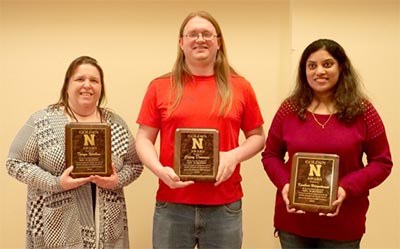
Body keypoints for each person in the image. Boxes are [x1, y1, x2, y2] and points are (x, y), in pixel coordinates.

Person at [135, 10, 265, 249]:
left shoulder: (241, 87)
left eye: (207, 34)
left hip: (224, 205)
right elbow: (143, 138)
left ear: (218, 42)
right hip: (172, 203)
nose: (200, 39)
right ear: (181, 43)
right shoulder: (159, 86)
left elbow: (257, 137)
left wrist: (234, 155)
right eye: (192, 34)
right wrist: (159, 170)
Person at [261, 38, 393, 248]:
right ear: (304, 71)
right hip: (294, 222)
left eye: (327, 64)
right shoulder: (289, 109)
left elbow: (382, 162)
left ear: (342, 67)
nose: (319, 71)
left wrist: (345, 188)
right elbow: (270, 156)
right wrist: (285, 184)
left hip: (343, 224)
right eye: (312, 66)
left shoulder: (364, 111)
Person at [6, 56, 144, 249]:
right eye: (80, 79)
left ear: (101, 88)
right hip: (57, 227)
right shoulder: (42, 121)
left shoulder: (115, 124)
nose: (87, 85)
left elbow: (135, 164)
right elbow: (14, 163)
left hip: (107, 226)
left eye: (94, 80)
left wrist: (117, 181)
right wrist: (55, 183)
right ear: (67, 85)